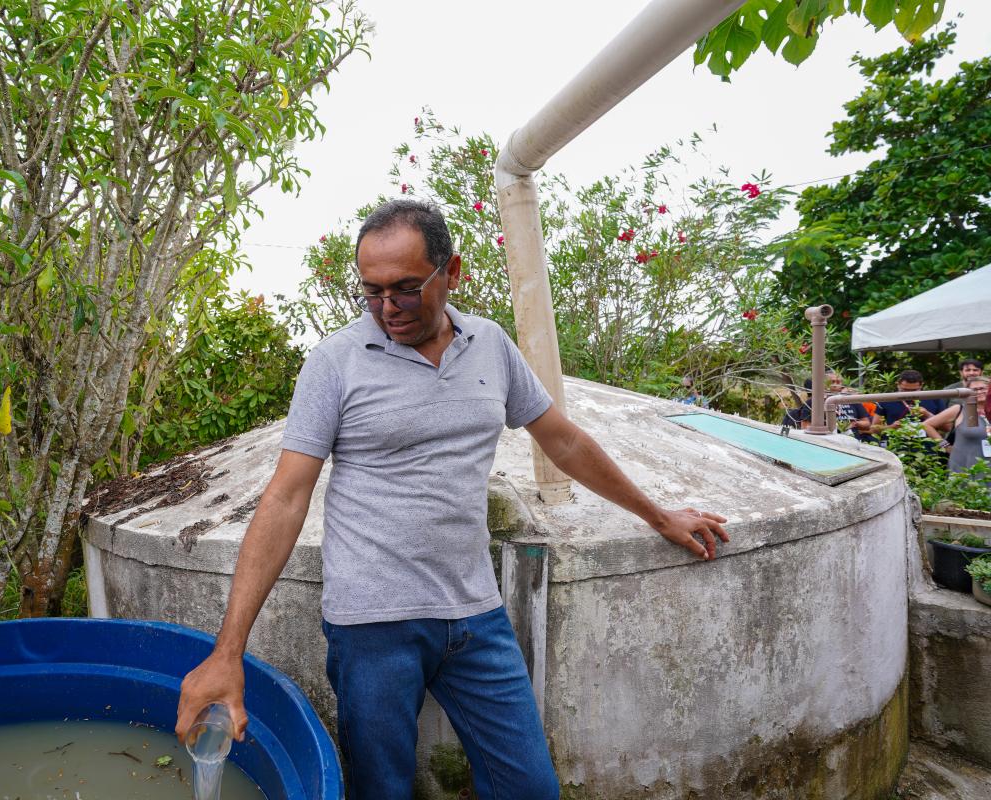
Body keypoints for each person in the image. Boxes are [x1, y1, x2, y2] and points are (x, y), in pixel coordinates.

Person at [174, 200, 730, 799]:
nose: (389, 308)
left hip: (474, 615)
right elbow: (285, 497)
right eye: (372, 291)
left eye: (407, 289)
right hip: (372, 627)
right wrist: (227, 651)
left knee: (530, 788)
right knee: (382, 790)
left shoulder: (489, 345)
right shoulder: (335, 362)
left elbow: (563, 441)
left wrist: (658, 515)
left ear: (452, 272)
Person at [924, 375, 990, 485]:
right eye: (974, 390)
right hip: (964, 464)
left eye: (982, 388)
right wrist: (945, 446)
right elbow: (927, 425)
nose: (978, 392)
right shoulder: (960, 409)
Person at [781, 372, 874, 442]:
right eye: (833, 382)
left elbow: (867, 424)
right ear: (825, 384)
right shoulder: (814, 402)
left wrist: (855, 424)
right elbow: (805, 428)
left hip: (852, 441)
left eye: (839, 382)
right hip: (827, 442)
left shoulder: (851, 400)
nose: (836, 384)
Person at [872, 370, 947, 432]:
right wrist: (891, 427)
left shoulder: (934, 399)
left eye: (914, 390)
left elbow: (947, 428)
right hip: (895, 446)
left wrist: (927, 414)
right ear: (898, 384)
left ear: (921, 385)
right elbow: (873, 428)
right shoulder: (887, 399)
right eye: (905, 390)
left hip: (928, 446)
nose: (909, 394)